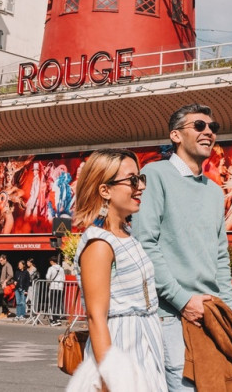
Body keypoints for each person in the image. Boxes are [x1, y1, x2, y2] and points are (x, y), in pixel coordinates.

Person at [132, 103, 232, 392]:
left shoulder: (215, 192)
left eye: (212, 127)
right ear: (175, 135)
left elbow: (220, 256)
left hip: (212, 317)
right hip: (171, 317)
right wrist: (182, 301)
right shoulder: (154, 175)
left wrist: (230, 313)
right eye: (199, 126)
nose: (208, 132)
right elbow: (145, 245)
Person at [66, 149, 165, 391]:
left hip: (144, 347)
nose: (140, 187)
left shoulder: (126, 234)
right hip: (122, 347)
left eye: (141, 179)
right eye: (132, 180)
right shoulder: (99, 244)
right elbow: (96, 318)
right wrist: (110, 379)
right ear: (105, 190)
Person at [46, 255, 66, 325]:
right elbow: (63, 278)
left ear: (51, 261)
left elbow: (48, 277)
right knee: (58, 304)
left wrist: (49, 282)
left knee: (52, 303)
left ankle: (54, 320)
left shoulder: (51, 268)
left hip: (53, 287)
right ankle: (58, 319)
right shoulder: (61, 269)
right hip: (60, 288)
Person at [0, 254, 14, 318]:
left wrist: (5, 282)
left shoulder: (8, 265)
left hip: (5, 285)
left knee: (3, 297)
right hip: (2, 284)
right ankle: (5, 311)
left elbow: (11, 275)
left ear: (5, 259)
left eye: (1, 260)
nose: (0, 262)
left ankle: (5, 312)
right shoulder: (4, 266)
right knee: (2, 298)